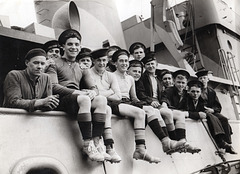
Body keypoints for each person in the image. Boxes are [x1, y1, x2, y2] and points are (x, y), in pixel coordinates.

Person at [46, 29, 108, 162]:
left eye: (76, 44)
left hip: (78, 100)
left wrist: (93, 92)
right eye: (70, 44)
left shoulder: (82, 66)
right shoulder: (54, 63)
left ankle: (97, 142)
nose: (73, 47)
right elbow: (54, 86)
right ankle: (87, 144)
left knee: (101, 100)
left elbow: (94, 88)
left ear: (80, 46)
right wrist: (80, 92)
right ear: (63, 46)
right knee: (85, 99)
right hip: (61, 99)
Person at [110, 49, 160, 163]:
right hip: (116, 103)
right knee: (140, 112)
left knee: (149, 109)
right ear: (115, 63)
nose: (124, 63)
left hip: (128, 102)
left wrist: (145, 103)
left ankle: (162, 142)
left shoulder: (130, 78)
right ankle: (140, 149)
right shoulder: (110, 76)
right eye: (121, 61)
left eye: (126, 61)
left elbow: (134, 98)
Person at [127, 60, 187, 154]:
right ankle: (170, 142)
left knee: (179, 114)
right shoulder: (141, 79)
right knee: (163, 112)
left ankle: (179, 141)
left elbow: (161, 95)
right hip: (145, 104)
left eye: (139, 71)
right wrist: (149, 102)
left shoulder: (157, 80)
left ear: (156, 65)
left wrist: (163, 103)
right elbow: (138, 96)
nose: (137, 74)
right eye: (148, 64)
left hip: (152, 104)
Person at [79, 48, 121, 163]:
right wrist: (109, 92)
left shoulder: (111, 75)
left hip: (106, 103)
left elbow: (118, 96)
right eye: (99, 60)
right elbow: (90, 91)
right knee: (105, 106)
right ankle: (101, 144)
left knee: (107, 107)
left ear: (107, 60)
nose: (102, 63)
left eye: (104, 60)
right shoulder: (88, 72)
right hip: (93, 103)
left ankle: (108, 147)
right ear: (93, 61)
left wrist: (102, 93)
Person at [195, 70, 237, 154]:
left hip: (211, 111)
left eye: (204, 78)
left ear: (208, 79)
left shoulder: (211, 91)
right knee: (213, 118)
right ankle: (221, 142)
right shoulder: (196, 90)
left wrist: (213, 110)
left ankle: (228, 143)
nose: (203, 80)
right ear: (198, 80)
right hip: (202, 111)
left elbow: (218, 105)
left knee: (224, 119)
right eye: (200, 78)